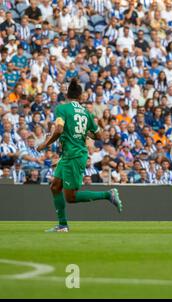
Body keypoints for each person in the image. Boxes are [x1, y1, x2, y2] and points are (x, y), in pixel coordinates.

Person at [37, 79, 123, 232]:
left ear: (66, 94)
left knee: (70, 197)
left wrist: (45, 144)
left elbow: (58, 130)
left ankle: (108, 194)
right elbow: (99, 136)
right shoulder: (86, 113)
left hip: (75, 155)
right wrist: (84, 132)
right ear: (80, 96)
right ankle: (62, 225)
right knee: (55, 186)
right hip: (69, 155)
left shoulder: (62, 108)